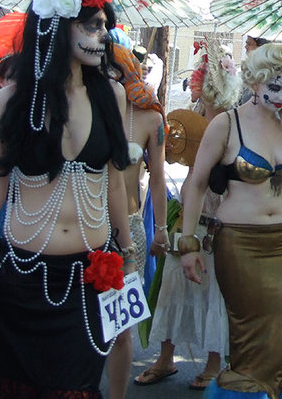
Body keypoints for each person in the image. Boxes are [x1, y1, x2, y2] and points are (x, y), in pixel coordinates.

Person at [0, 0, 135, 398]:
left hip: (90, 278)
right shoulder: (13, 100)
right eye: (91, 25)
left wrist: (131, 257)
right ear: (56, 25)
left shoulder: (113, 97)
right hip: (18, 283)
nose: (103, 35)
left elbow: (115, 186)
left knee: (77, 388)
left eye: (105, 25)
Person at [181, 43, 282, 399]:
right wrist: (187, 243)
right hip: (239, 244)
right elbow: (197, 183)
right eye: (274, 87)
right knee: (251, 341)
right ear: (255, 83)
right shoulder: (226, 123)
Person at [136, 37, 237, 391]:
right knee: (172, 287)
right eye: (201, 75)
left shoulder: (234, 124)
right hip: (188, 218)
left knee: (214, 292)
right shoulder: (191, 119)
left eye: (207, 76)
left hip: (220, 222)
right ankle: (165, 360)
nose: (200, 83)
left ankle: (212, 364)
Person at [106, 42, 169, 399]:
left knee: (121, 326)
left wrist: (160, 228)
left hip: (129, 229)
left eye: (115, 70)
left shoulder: (148, 118)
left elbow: (158, 179)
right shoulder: (82, 109)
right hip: (82, 227)